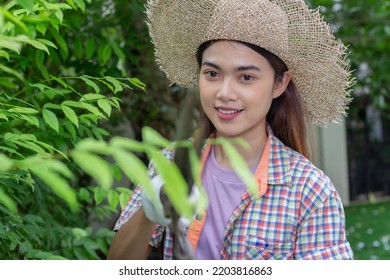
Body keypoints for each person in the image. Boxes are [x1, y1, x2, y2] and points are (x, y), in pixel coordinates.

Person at [107, 0, 354, 260]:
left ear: (280, 83)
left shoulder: (311, 191)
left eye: (246, 77)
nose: (224, 93)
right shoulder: (169, 162)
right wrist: (149, 213)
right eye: (212, 74)